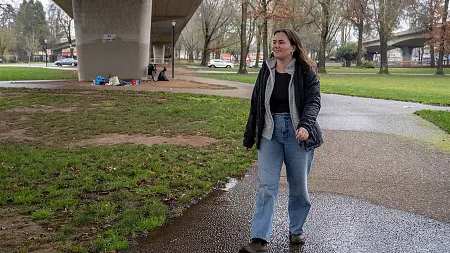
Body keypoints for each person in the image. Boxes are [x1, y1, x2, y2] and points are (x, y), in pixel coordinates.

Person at [240, 28, 323, 253]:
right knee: (266, 187)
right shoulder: (266, 70)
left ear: (293, 47)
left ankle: (296, 229)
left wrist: (305, 125)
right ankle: (259, 239)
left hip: (297, 134)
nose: (276, 46)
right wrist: (249, 136)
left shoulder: (306, 71)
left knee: (298, 188)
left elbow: (313, 101)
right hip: (270, 133)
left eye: (281, 42)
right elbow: (256, 105)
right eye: (274, 42)